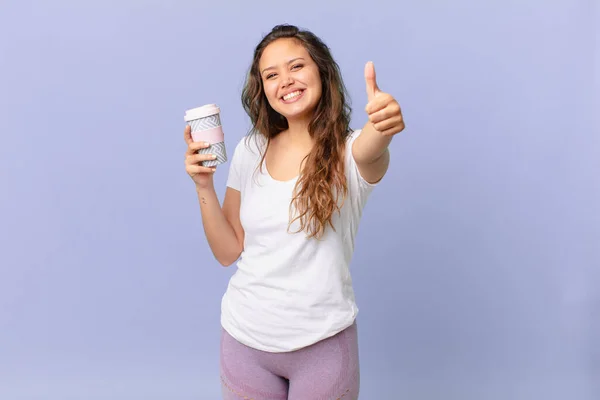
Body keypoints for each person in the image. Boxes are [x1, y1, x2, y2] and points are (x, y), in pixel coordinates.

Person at [184, 24, 404, 400]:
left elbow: (372, 149)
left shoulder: (349, 152)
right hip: (244, 342)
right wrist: (203, 186)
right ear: (263, 89)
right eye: (271, 75)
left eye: (296, 66)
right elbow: (227, 252)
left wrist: (383, 125)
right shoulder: (250, 149)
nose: (285, 80)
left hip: (322, 347)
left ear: (321, 71)